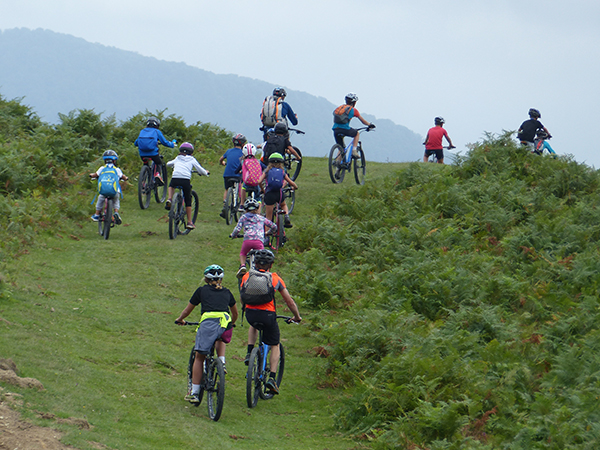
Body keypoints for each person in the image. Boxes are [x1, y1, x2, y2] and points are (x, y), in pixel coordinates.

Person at [175, 265, 238, 404]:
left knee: (199, 357)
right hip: (224, 322)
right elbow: (235, 313)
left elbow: (188, 310)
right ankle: (221, 361)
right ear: (221, 279)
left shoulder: (201, 291)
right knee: (221, 336)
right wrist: (232, 323)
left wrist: (180, 319)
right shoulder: (227, 292)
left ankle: (195, 393)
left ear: (205, 279)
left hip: (208, 324)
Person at [241, 249, 301, 394]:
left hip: (250, 314)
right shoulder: (275, 278)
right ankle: (272, 378)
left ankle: (249, 353)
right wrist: (297, 316)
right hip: (268, 316)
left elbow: (243, 296)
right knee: (275, 344)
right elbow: (290, 302)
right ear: (271, 265)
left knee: (253, 325)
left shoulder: (247, 276)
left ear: (254, 263)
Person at [165, 142, 209, 230]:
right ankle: (189, 222)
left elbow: (168, 164)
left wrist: (173, 165)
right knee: (188, 200)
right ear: (191, 152)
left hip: (175, 177)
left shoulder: (178, 158)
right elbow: (200, 169)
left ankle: (169, 198)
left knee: (171, 185)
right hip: (185, 180)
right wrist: (206, 173)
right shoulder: (192, 159)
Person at [230, 197, 277, 278]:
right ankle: (265, 273)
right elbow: (273, 226)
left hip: (247, 240)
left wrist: (233, 235)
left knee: (243, 253)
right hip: (259, 241)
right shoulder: (261, 218)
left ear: (245, 209)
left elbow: (237, 229)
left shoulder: (244, 217)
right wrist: (268, 232)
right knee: (262, 257)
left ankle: (243, 266)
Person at [258, 153, 298, 229]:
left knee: (268, 218)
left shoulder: (267, 171)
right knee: (283, 205)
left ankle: (267, 236)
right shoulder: (282, 172)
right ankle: (286, 216)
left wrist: (262, 189)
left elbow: (259, 181)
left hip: (269, 194)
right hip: (279, 194)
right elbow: (291, 182)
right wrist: (295, 187)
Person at [134, 116, 176, 186]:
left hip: (142, 154)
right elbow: (164, 142)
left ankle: (143, 182)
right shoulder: (157, 131)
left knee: (145, 164)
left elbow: (136, 143)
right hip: (153, 153)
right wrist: (172, 144)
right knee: (158, 163)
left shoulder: (142, 131)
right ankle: (157, 174)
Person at [90, 150, 128, 223]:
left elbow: (95, 175)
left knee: (100, 199)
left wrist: (91, 175)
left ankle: (97, 215)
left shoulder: (102, 168)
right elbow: (122, 176)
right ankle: (116, 212)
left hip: (104, 191)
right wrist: (125, 178)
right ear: (115, 161)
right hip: (115, 191)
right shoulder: (117, 169)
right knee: (116, 200)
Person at [332, 93, 375, 157]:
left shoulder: (340, 108)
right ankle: (354, 151)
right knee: (356, 133)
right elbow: (363, 121)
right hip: (345, 129)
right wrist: (370, 125)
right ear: (354, 102)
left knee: (341, 148)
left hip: (336, 129)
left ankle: (337, 163)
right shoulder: (353, 110)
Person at [219, 134, 246, 218]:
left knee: (227, 189)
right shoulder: (243, 153)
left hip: (227, 174)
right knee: (241, 186)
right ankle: (241, 203)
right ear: (243, 144)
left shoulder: (229, 151)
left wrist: (222, 163)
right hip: (238, 174)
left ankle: (225, 205)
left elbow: (221, 159)